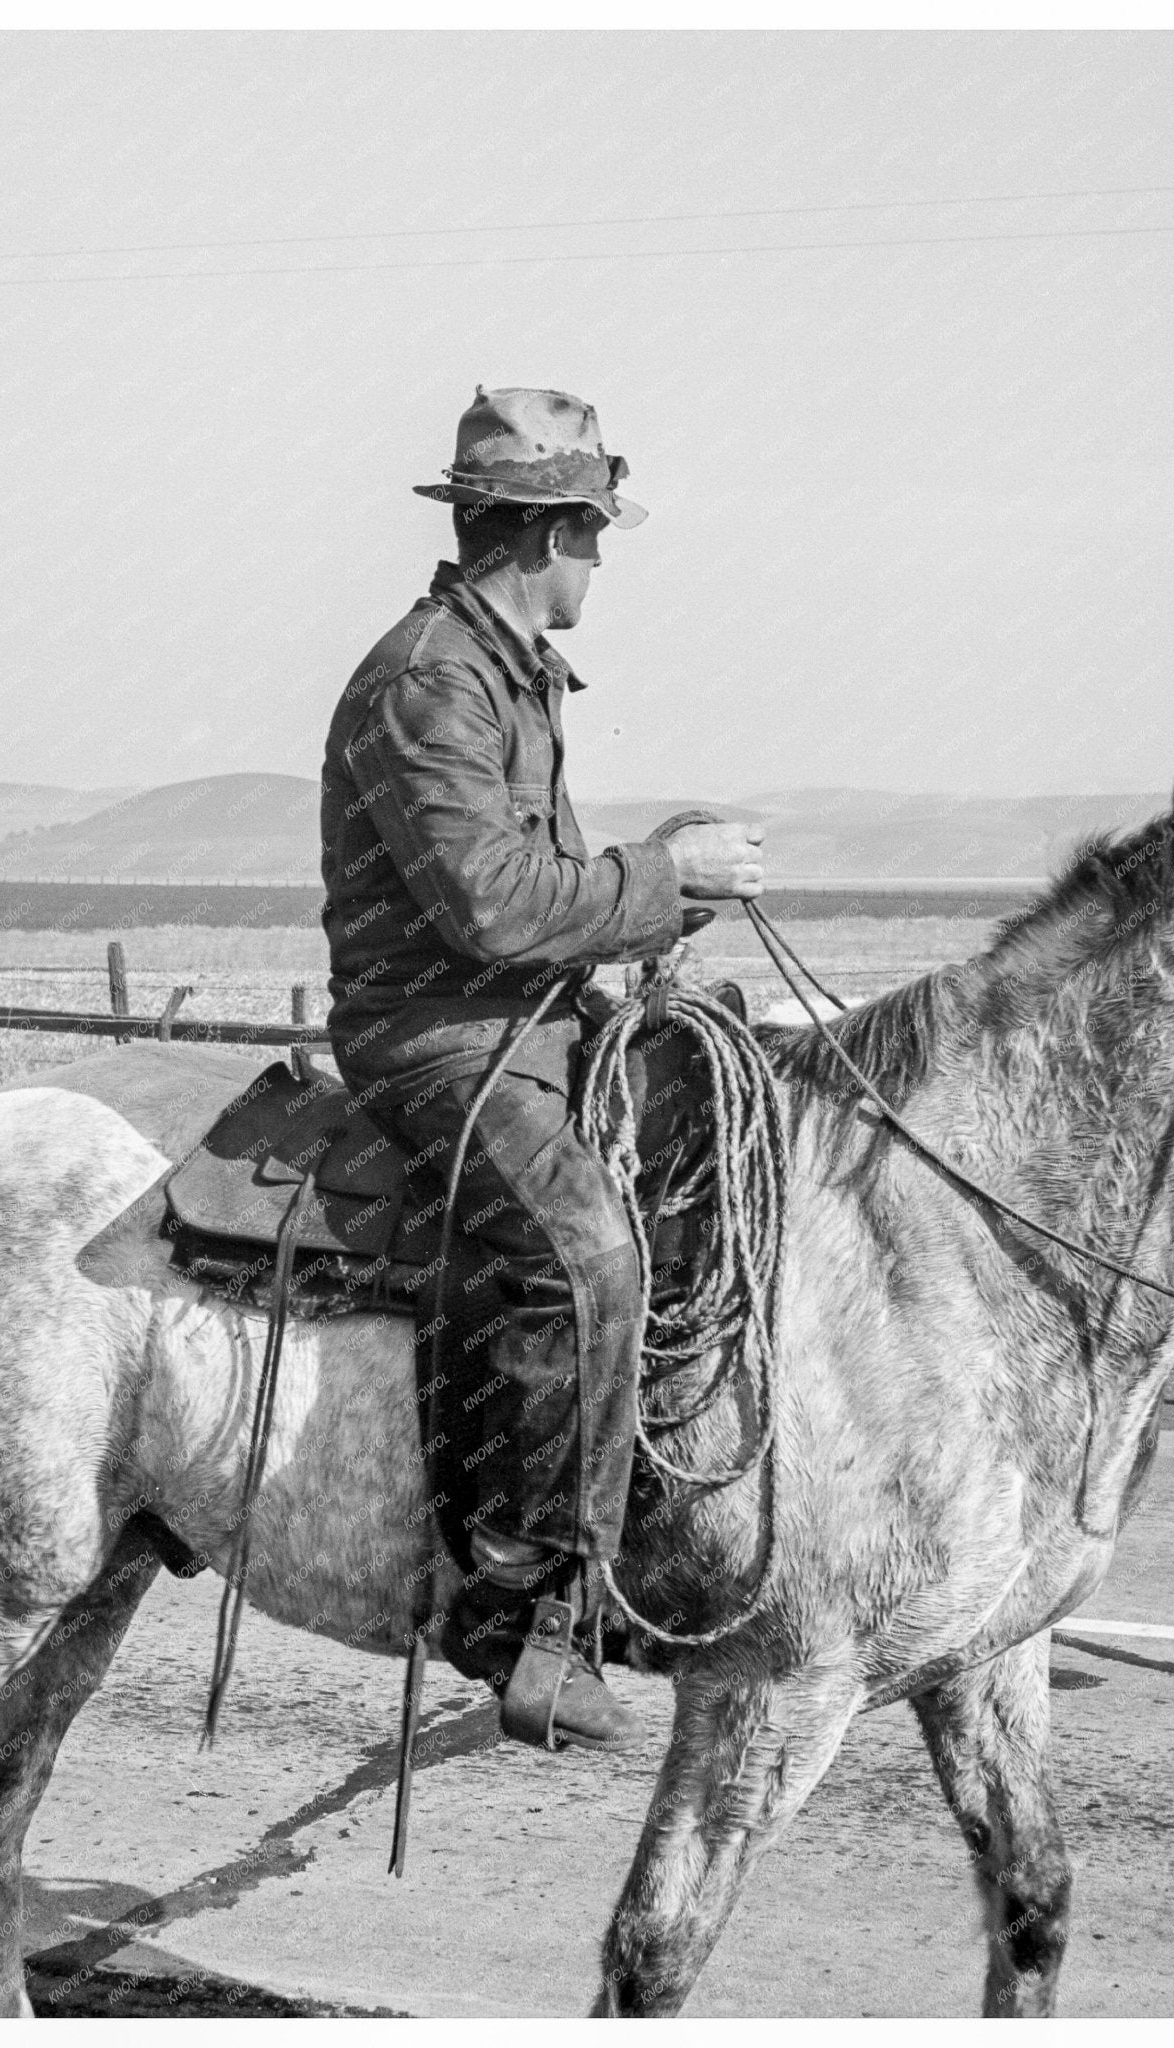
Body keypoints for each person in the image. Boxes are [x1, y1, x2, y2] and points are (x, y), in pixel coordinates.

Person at [319, 386, 764, 1749]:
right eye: (592, 531)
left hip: (525, 1023)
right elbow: (497, 909)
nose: (600, 559)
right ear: (548, 528)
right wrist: (663, 875)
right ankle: (513, 1605)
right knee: (589, 1255)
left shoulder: (507, 668)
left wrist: (661, 909)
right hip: (438, 1043)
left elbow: (546, 890)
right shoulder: (431, 681)